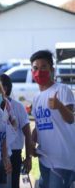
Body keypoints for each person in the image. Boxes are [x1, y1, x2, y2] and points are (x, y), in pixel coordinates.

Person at [30, 50, 75, 188]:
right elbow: (38, 126)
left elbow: (70, 119)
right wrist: (31, 144)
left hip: (62, 160)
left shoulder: (62, 90)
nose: (39, 71)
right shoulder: (37, 98)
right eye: (35, 68)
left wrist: (59, 106)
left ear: (52, 69)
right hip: (45, 159)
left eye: (44, 67)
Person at [0, 74, 33, 188]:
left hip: (14, 154)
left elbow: (28, 133)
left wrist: (28, 157)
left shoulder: (18, 107)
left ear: (5, 88)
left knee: (12, 184)